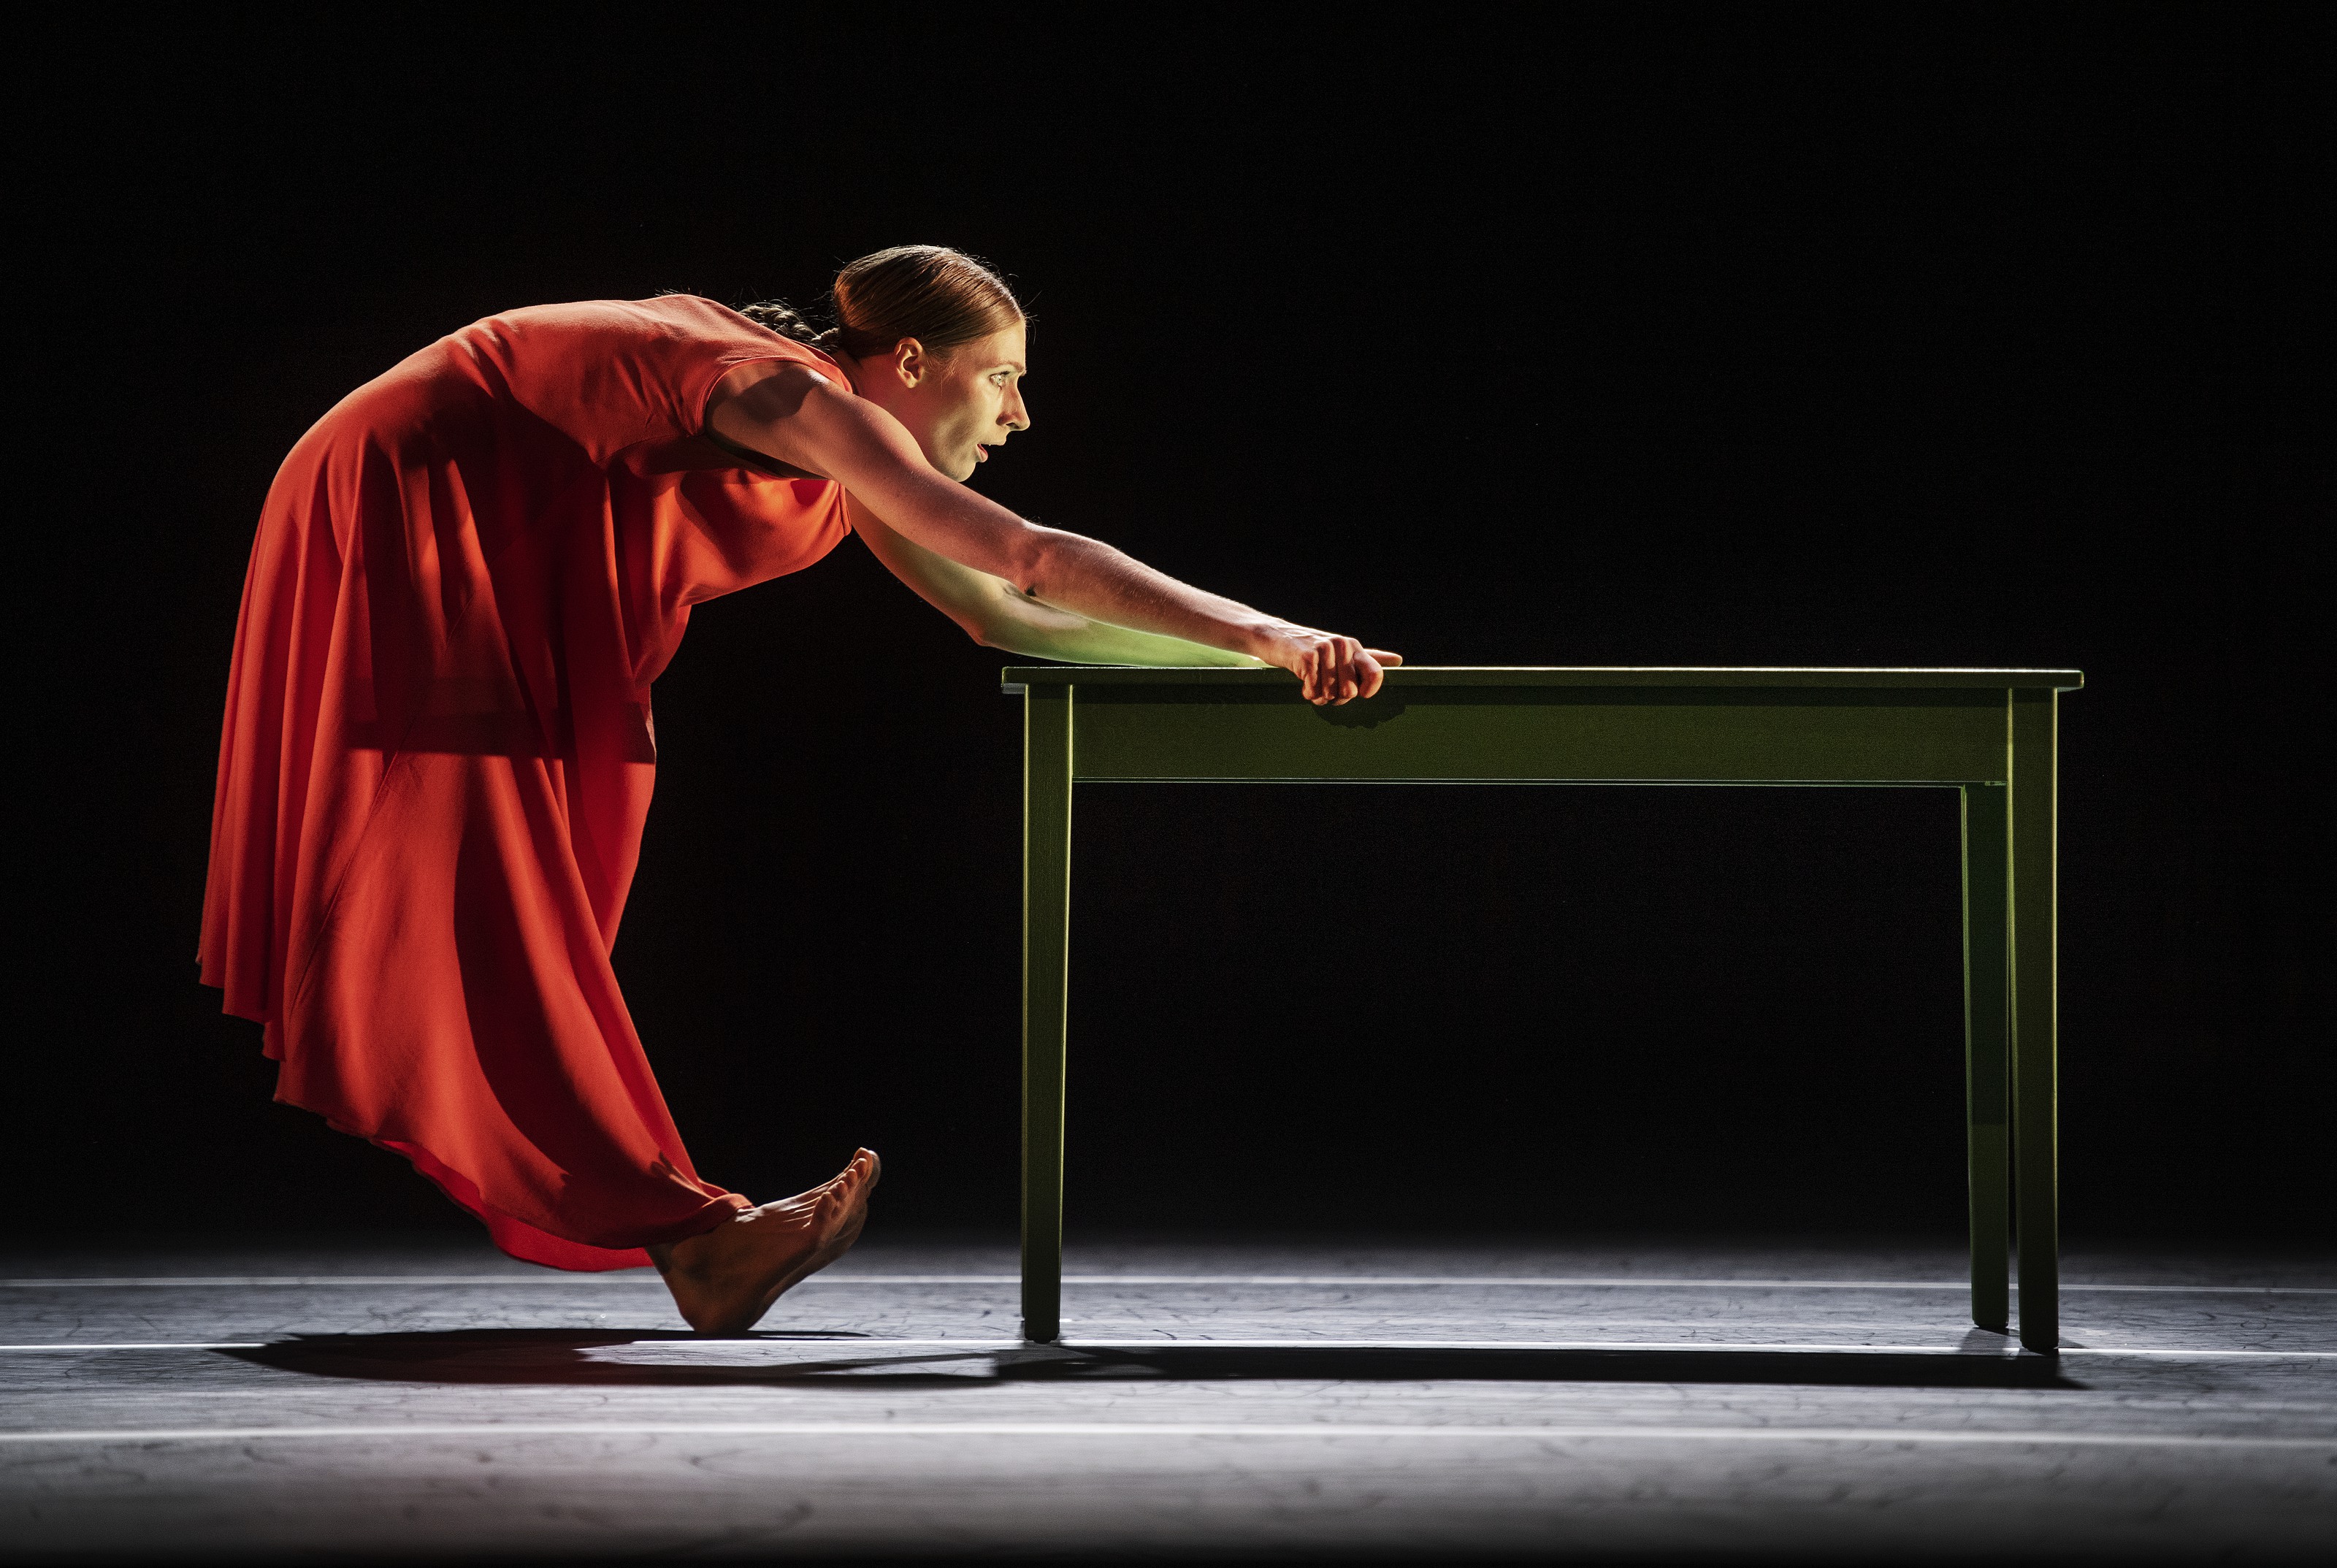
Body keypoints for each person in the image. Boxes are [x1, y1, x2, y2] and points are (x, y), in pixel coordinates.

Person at [200, 245, 1398, 1334]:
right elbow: (1027, 554)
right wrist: (1267, 630)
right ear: (911, 363)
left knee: (534, 863)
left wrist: (1253, 666)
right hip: (414, 494)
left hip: (468, 516)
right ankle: (692, 1232)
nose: (1019, 413)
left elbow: (1002, 615)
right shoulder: (790, 393)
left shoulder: (831, 438)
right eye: (1001, 379)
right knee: (488, 862)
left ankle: (682, 1229)